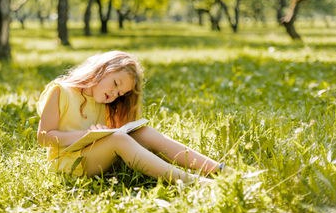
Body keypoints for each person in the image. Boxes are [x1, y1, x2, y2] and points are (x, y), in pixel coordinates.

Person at [36, 51, 228, 185]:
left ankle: (216, 168)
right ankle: (193, 182)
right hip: (69, 163)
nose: (114, 94)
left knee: (141, 131)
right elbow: (44, 137)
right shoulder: (60, 91)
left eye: (120, 93)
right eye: (115, 83)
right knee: (118, 139)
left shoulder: (104, 102)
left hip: (95, 155)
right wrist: (86, 134)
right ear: (102, 69)